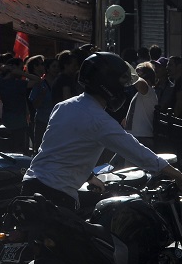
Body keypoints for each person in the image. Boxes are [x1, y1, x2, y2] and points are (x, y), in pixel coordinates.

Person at [23, 52, 182, 210]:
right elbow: (137, 152)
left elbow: (61, 151)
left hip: (30, 185)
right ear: (109, 84)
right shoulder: (99, 121)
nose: (124, 90)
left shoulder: (64, 106)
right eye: (121, 84)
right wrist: (177, 175)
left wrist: (90, 176)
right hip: (57, 196)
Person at [0, 56, 40, 153]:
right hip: (19, 122)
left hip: (7, 120)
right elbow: (38, 80)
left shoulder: (0, 81)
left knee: (7, 151)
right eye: (20, 68)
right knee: (19, 151)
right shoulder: (18, 83)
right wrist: (22, 73)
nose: (22, 70)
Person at [29, 57, 60, 153]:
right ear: (48, 68)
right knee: (40, 148)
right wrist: (41, 95)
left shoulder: (59, 83)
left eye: (58, 67)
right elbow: (34, 104)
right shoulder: (40, 84)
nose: (56, 69)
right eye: (53, 66)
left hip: (57, 121)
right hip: (42, 120)